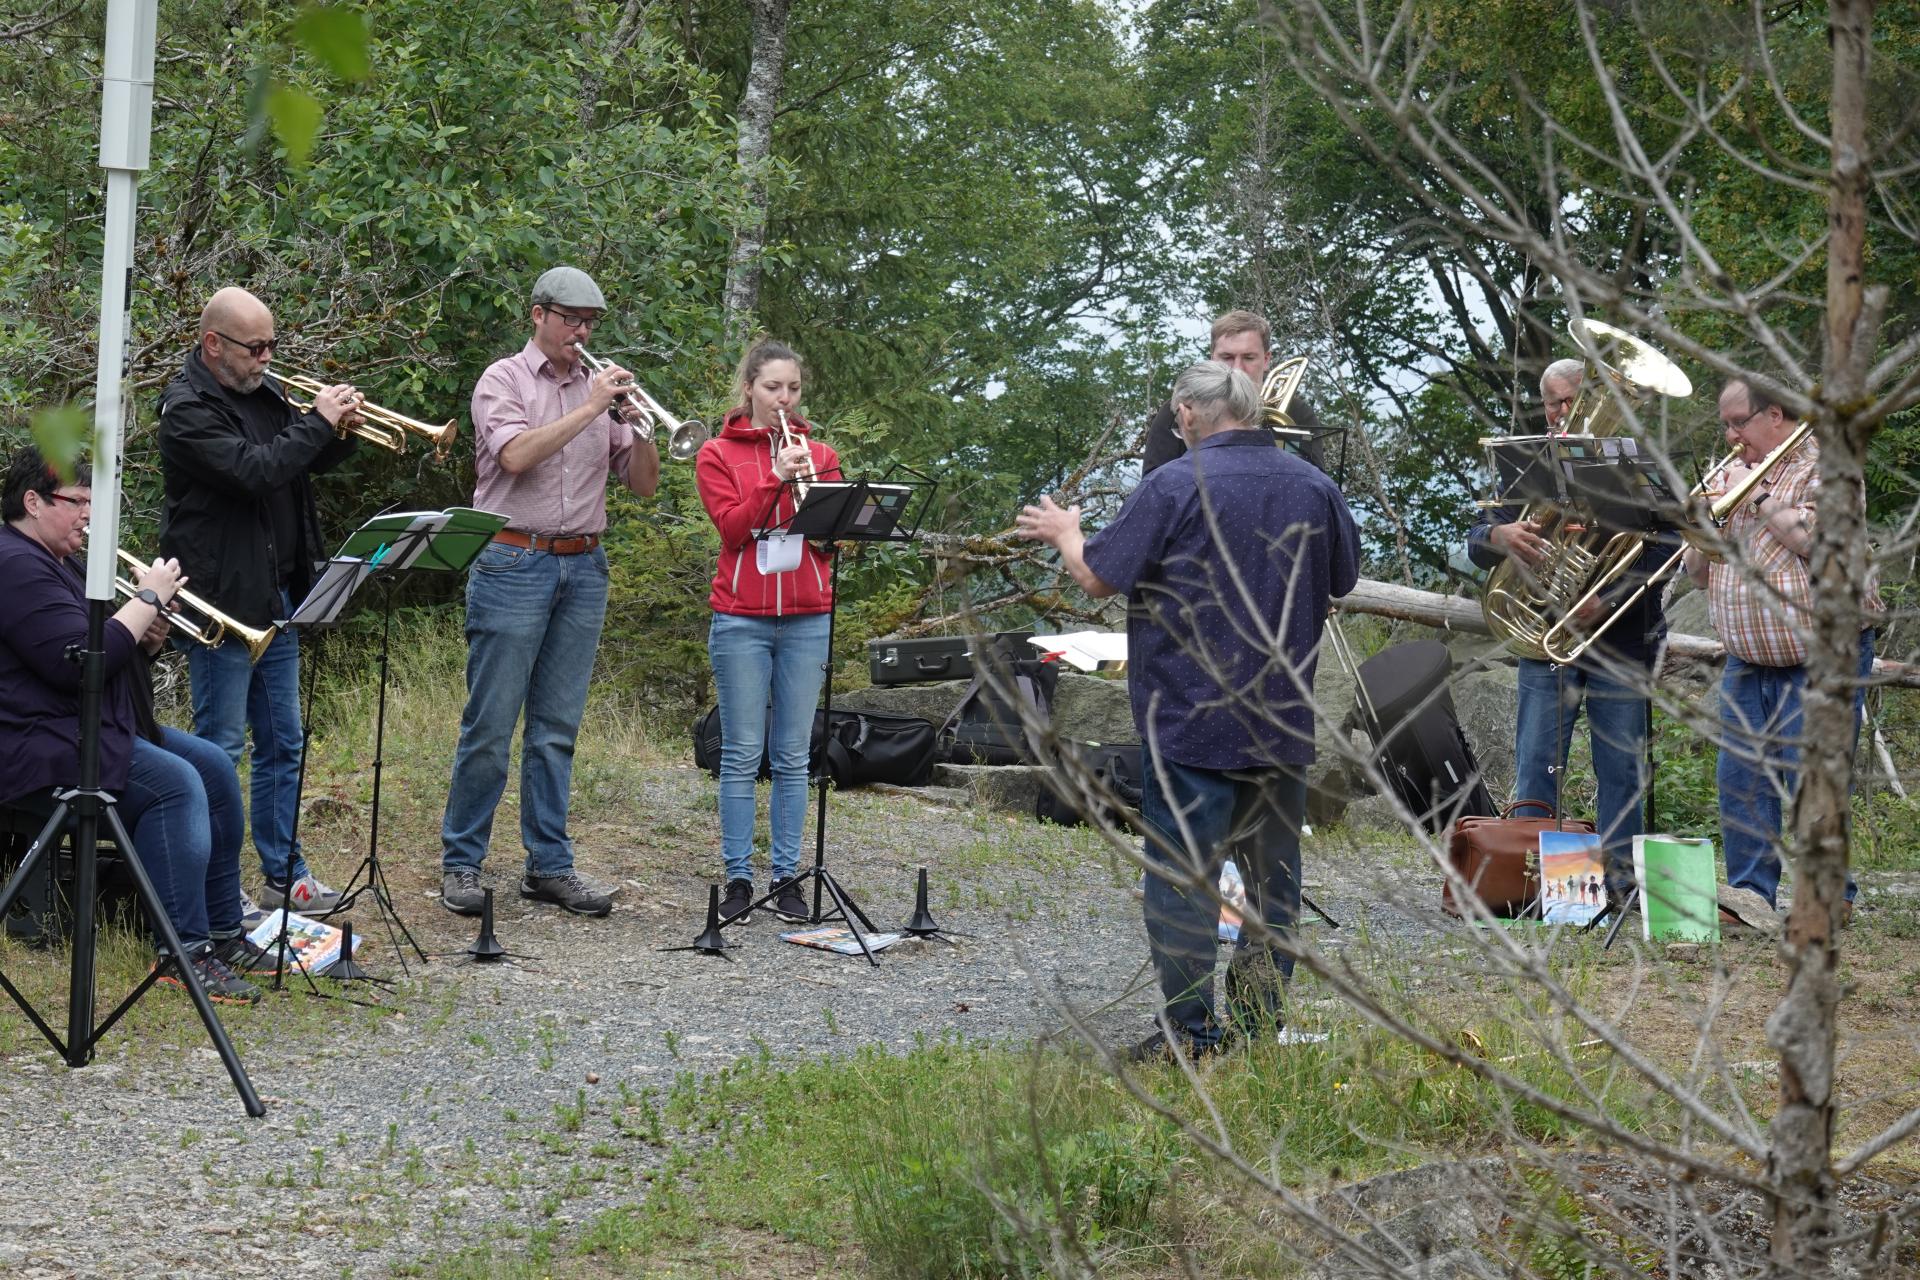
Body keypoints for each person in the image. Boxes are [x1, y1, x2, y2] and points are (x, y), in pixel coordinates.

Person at [1018, 362, 1360, 1060]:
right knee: (1273, 891)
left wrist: (1063, 531)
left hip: (1189, 721)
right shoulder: (1315, 486)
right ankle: (1260, 1033)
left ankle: (1193, 1035)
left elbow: (1097, 575)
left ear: (1188, 416)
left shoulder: (1172, 484)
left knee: (1184, 887)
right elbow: (1343, 582)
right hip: (1281, 721)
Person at [0, 446, 263, 1004]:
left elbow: (107, 653)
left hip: (91, 725)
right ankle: (182, 952)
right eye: (76, 502)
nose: (87, 516)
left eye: (91, 503)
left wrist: (146, 638)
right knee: (175, 785)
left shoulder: (62, 560)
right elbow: (74, 661)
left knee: (214, 767)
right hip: (37, 741)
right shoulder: (13, 563)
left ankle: (224, 934)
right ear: (32, 502)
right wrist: (146, 599)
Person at [438, 267, 660, 918]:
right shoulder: (502, 381)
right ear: (538, 315)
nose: (582, 332)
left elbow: (642, 485)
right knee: (490, 726)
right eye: (571, 319)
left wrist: (640, 427)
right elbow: (513, 457)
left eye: (591, 321)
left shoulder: (603, 393)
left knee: (556, 730)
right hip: (513, 561)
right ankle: (461, 863)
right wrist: (591, 406)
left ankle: (549, 866)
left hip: (583, 566)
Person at [158, 286, 362, 917]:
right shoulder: (185, 408)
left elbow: (303, 464)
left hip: (278, 593)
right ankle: (220, 890)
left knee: (285, 742)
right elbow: (254, 470)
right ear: (213, 344)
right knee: (222, 749)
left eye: (272, 345)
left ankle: (286, 872)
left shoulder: (265, 392)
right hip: (219, 601)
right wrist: (316, 423)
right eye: (255, 348)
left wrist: (340, 431)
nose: (267, 358)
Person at [1467, 357, 1666, 901]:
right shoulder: (1527, 460)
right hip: (1546, 643)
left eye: (1567, 401)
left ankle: (1619, 888)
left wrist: (1610, 597)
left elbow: (1668, 545)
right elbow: (1475, 538)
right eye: (1550, 402)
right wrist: (1498, 536)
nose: (1557, 413)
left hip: (1619, 644)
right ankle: (1539, 889)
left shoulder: (1637, 466)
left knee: (1620, 770)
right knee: (1536, 767)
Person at [1682, 377, 1881, 910]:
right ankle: (1752, 895)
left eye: (1738, 422)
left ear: (1774, 416)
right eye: (1725, 424)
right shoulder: (1733, 472)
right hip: (1749, 658)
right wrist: (1700, 528)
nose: (1729, 436)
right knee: (1741, 777)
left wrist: (1758, 492)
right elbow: (1699, 576)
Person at [693, 339, 844, 926]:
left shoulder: (821, 453)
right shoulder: (717, 453)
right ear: (749, 389)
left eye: (794, 389)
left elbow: (832, 537)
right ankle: (737, 876)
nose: (785, 399)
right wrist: (772, 481)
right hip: (741, 620)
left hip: (808, 616)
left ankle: (787, 876)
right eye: (773, 387)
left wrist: (819, 496)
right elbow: (732, 532)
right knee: (740, 753)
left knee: (792, 754)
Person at [1139, 310, 1326, 478]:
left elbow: (1317, 481)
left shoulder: (1298, 413)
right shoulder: (1181, 408)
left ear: (1267, 359)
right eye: (1227, 357)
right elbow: (1154, 483)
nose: (1237, 368)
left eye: (1248, 358)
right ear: (1212, 358)